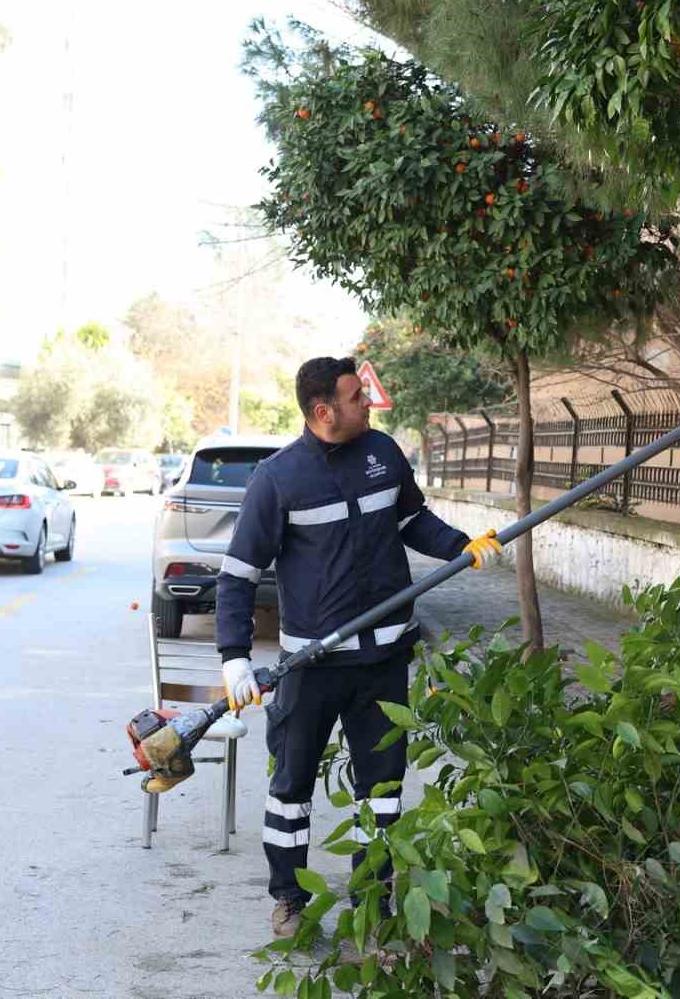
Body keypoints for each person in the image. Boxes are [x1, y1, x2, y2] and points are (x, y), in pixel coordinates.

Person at [214, 356, 503, 939]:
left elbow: (412, 521)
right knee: (291, 788)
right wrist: (234, 657)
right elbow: (239, 574)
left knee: (383, 793)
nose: (366, 402)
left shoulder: (384, 453)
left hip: (384, 662)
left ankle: (373, 905)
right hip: (312, 665)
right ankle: (289, 901)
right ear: (324, 412)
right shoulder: (277, 479)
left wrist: (461, 547)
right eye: (355, 396)